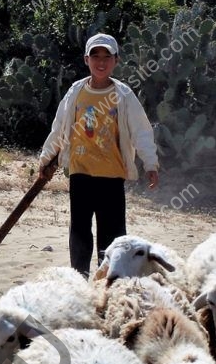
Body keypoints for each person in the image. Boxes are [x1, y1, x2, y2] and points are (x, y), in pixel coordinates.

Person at [37, 32, 160, 276]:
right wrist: (46, 158)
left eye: (107, 56)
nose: (101, 62)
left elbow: (141, 130)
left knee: (112, 235)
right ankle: (79, 278)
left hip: (112, 176)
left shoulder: (123, 95)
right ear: (86, 59)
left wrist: (150, 163)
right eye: (95, 56)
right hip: (80, 173)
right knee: (80, 230)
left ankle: (109, 280)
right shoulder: (76, 92)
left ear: (116, 60)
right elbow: (60, 127)